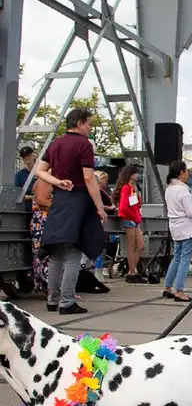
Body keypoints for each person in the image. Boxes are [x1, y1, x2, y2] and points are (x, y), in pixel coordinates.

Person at [35, 107, 107, 315]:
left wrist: (57, 181)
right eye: (90, 124)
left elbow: (40, 171)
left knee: (56, 253)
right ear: (80, 123)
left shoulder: (56, 143)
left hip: (60, 200)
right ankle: (67, 302)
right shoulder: (84, 145)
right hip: (78, 200)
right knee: (74, 252)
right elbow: (88, 178)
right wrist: (99, 207)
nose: (90, 128)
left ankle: (52, 299)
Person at [162, 161, 192, 302]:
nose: (188, 174)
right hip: (186, 228)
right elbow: (191, 212)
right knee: (184, 259)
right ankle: (179, 291)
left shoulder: (169, 188)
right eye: (186, 171)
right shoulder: (183, 189)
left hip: (174, 226)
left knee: (176, 257)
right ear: (181, 173)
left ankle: (167, 287)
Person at [114, 165, 145, 283]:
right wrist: (134, 216)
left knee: (140, 246)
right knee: (132, 245)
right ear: (131, 175)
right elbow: (123, 207)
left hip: (134, 218)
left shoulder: (133, 188)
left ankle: (132, 270)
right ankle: (132, 271)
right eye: (135, 173)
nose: (137, 175)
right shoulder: (126, 188)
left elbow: (136, 205)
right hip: (130, 218)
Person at [30, 176, 54, 294]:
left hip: (43, 218)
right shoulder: (45, 180)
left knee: (43, 253)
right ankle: (47, 285)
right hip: (43, 219)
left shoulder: (46, 180)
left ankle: (46, 285)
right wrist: (58, 205)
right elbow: (41, 200)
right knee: (44, 253)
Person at [15, 146, 37, 211]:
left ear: (33, 155)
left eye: (28, 155)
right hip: (26, 209)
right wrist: (32, 197)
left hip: (42, 209)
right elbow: (17, 195)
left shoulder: (42, 172)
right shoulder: (19, 175)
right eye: (24, 157)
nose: (26, 158)